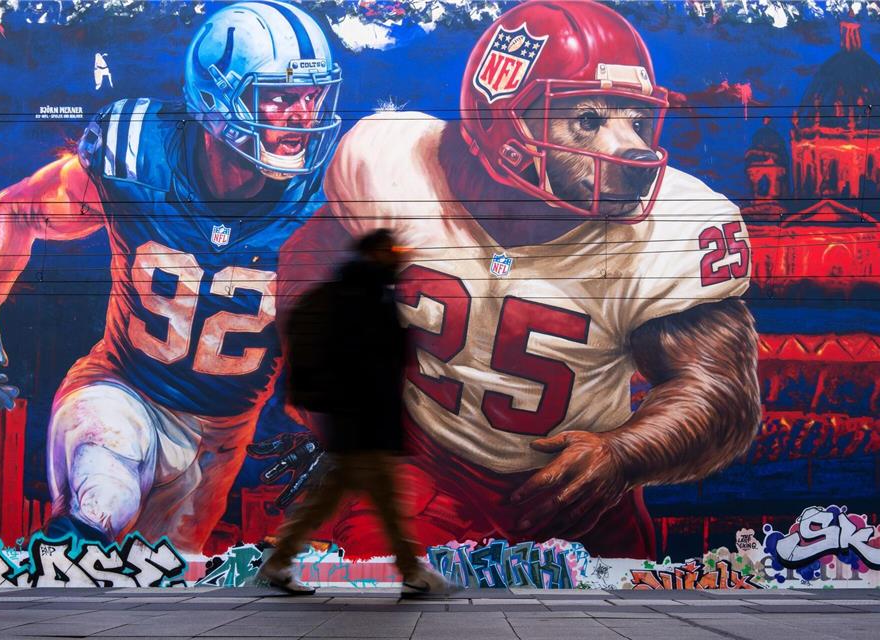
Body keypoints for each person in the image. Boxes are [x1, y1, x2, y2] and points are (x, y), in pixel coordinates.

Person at [275, 0, 760, 559]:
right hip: (428, 467)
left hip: (579, 490)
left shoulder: (672, 227)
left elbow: (717, 391)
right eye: (589, 119)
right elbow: (311, 274)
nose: (633, 148)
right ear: (505, 117)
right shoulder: (397, 163)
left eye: (638, 120)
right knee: (384, 580)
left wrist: (623, 454)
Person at [0, 1, 343, 553]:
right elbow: (17, 213)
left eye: (313, 96)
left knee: (162, 580)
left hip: (221, 441)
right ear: (217, 95)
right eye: (280, 96)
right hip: (121, 389)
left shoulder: (329, 202)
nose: (304, 117)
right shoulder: (139, 154)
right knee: (102, 503)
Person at [257, 230, 450, 596]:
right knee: (384, 500)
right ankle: (412, 571)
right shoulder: (361, 299)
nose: (400, 258)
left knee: (335, 497)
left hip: (356, 420)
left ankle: (280, 560)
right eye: (392, 251)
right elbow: (372, 365)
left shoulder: (363, 294)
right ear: (375, 253)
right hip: (362, 420)